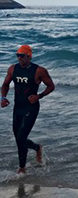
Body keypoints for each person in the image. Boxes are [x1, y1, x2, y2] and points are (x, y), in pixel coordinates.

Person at [1, 45, 55, 174]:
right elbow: (5, 84)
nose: (19, 58)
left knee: (21, 137)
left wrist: (39, 96)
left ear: (29, 56)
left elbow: (51, 86)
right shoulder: (13, 69)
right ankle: (37, 148)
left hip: (31, 108)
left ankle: (22, 168)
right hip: (17, 108)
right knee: (19, 139)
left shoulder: (39, 71)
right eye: (17, 55)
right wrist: (3, 97)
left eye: (22, 56)